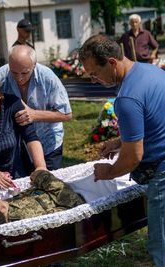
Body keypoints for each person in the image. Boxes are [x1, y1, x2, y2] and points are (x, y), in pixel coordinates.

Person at [79, 34, 165, 267]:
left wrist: (107, 172)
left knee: (161, 244)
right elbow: (155, 118)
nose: (94, 80)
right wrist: (121, 140)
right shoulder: (151, 72)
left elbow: (132, 158)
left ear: (112, 63)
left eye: (95, 73)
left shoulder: (127, 98)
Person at [0, 45, 72, 170]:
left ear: (34, 65)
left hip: (48, 144)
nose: (19, 78)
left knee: (49, 185)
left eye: (24, 73)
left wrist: (34, 115)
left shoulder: (47, 77)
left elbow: (66, 114)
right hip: (17, 147)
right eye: (14, 72)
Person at [0, 169, 86, 226]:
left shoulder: (12, 208)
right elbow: (73, 202)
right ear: (2, 209)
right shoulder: (22, 213)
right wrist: (41, 176)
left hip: (67, 192)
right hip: (82, 198)